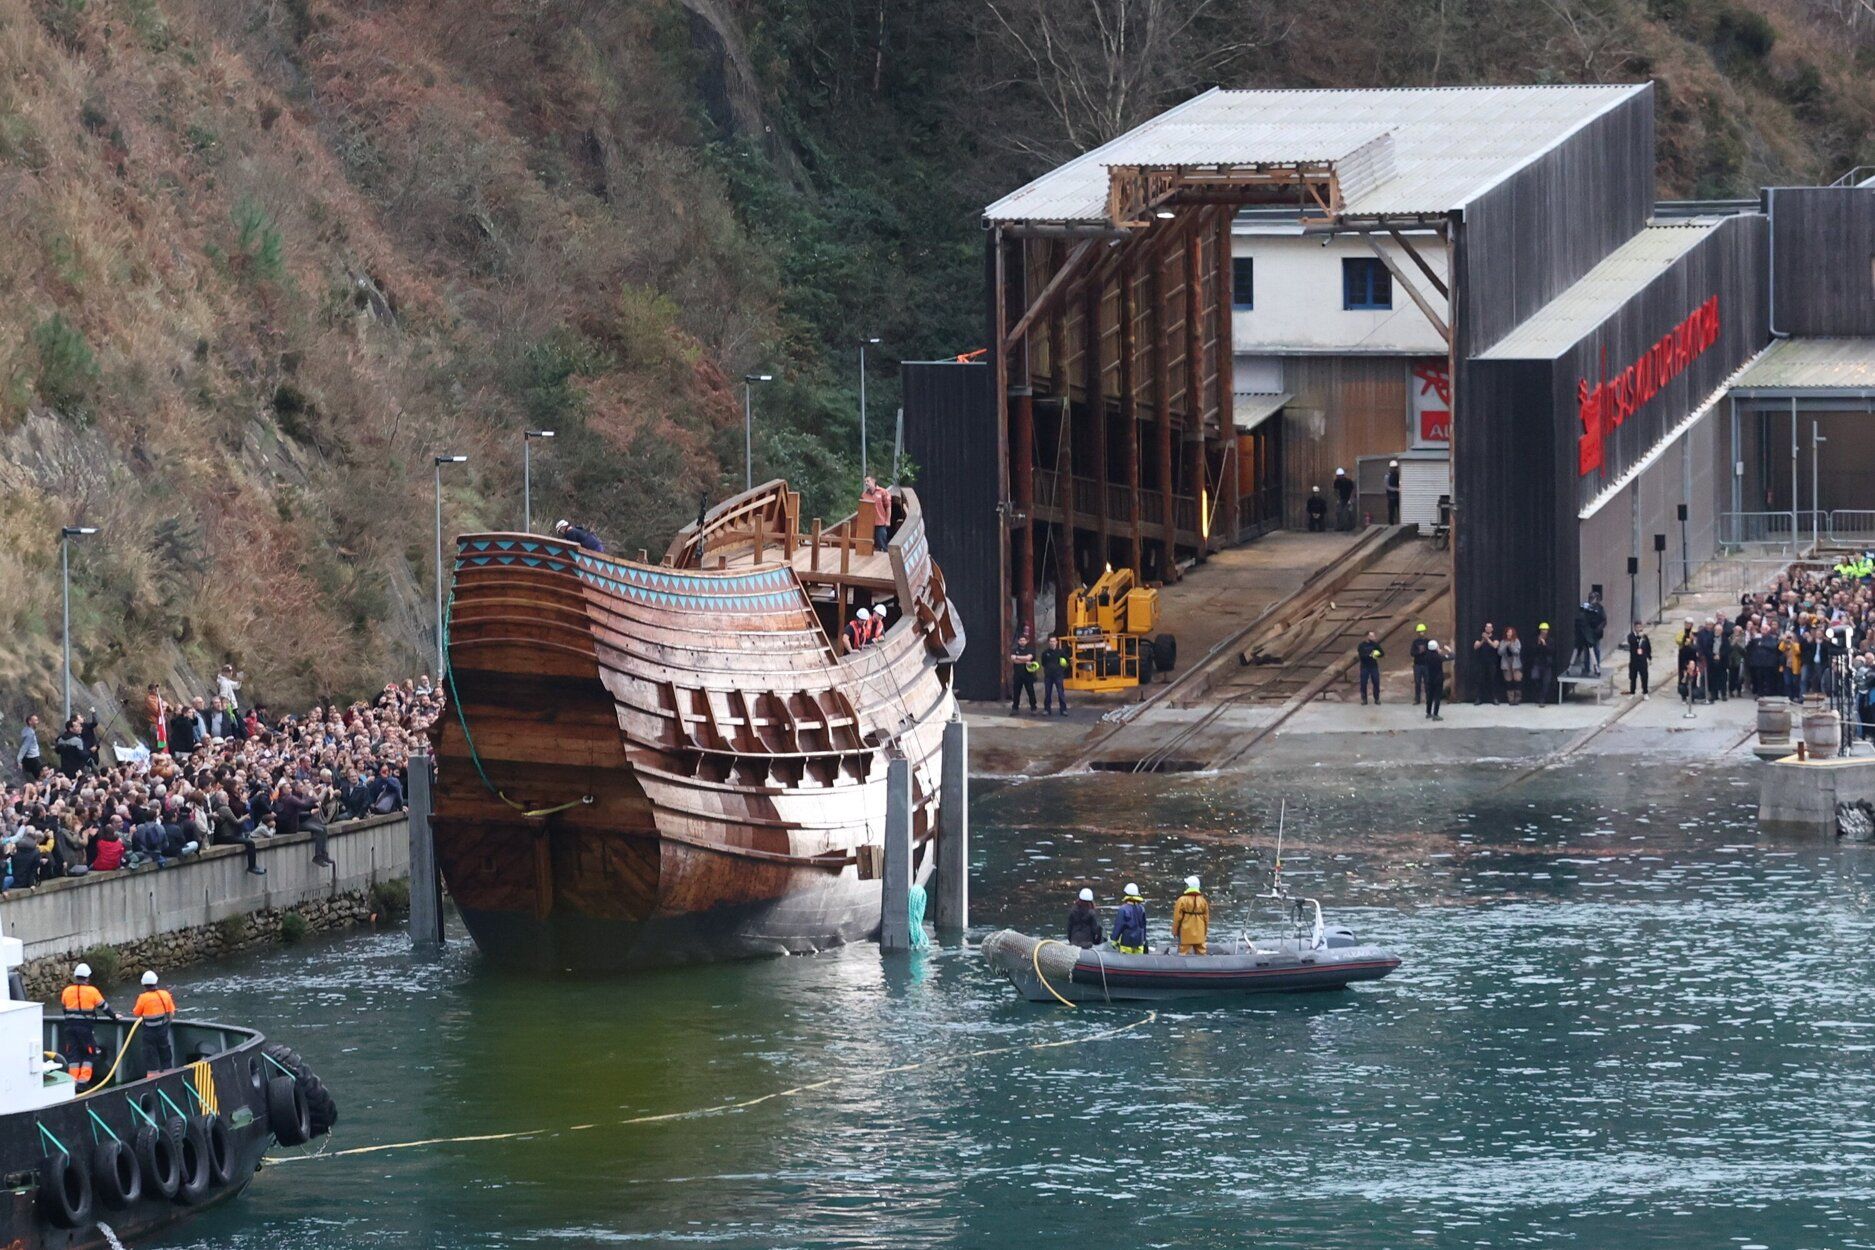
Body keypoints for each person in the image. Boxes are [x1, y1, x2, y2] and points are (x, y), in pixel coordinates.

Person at [59, 963, 116, 1087]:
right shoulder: (92, 991)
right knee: (90, 1053)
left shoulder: (67, 991)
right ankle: (83, 1082)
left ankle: (72, 1083)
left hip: (69, 1027)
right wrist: (114, 1016)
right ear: (87, 977)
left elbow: (64, 1008)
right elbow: (104, 1007)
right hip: (85, 1028)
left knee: (73, 1054)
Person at [133, 970, 177, 1078]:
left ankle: (152, 1078)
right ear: (156, 982)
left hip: (148, 1032)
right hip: (162, 1030)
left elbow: (136, 1013)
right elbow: (171, 1012)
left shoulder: (142, 997)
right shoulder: (165, 994)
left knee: (150, 1054)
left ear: (144, 984)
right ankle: (168, 1076)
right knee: (165, 1051)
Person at [1172, 875, 1209, 955]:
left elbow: (1177, 918)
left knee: (1183, 953)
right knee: (1202, 953)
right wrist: (1205, 933)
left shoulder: (1182, 900)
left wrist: (1175, 932)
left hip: (1186, 933)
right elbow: (1206, 919)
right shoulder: (1203, 901)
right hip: (1200, 933)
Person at [1571, 592, 1606, 676]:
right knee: (1586, 651)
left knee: (1596, 649)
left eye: (1593, 598)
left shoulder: (1600, 608)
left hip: (1596, 633)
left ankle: (1596, 667)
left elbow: (1604, 620)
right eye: (1591, 598)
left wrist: (1598, 628)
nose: (1592, 599)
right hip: (1587, 633)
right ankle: (1586, 668)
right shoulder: (1586, 607)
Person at [1111, 884, 1147, 954]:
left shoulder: (1123, 909)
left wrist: (1114, 940)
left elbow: (1119, 926)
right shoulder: (1142, 909)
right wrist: (1144, 939)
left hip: (1126, 942)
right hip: (1139, 942)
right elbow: (1144, 926)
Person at [860, 476, 892, 553]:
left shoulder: (882, 492)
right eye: (865, 482)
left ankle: (885, 557)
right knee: (870, 544)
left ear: (873, 481)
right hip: (868, 524)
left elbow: (888, 507)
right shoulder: (864, 495)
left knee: (882, 543)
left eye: (868, 481)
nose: (866, 483)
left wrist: (888, 520)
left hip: (880, 522)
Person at [1009, 629, 1038, 714]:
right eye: (1020, 640)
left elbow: (1028, 658)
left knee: (1030, 692)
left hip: (1028, 674)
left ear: (1027, 641)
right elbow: (1014, 660)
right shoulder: (1014, 649)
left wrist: (1018, 657)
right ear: (1018, 641)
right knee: (1016, 692)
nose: (1022, 642)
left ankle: (1033, 708)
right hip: (1017, 675)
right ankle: (1015, 708)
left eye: (1023, 640)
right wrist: (1024, 660)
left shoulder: (1030, 649)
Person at [1040, 636, 1070, 717]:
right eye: (1050, 641)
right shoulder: (1045, 653)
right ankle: (1047, 710)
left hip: (1058, 676)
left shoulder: (1060, 652)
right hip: (1048, 676)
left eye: (1054, 641)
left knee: (1060, 693)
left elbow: (1068, 660)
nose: (1052, 643)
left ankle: (1063, 710)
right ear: (1048, 642)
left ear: (1056, 642)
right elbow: (1043, 663)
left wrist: (1062, 669)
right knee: (1048, 693)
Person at [1471, 622, 1500, 705]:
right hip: (1481, 662)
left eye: (1490, 627)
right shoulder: (1479, 637)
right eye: (1487, 627)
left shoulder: (1495, 637)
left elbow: (1495, 646)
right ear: (1485, 628)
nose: (1488, 629)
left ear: (1492, 629)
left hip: (1492, 662)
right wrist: (1483, 640)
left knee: (1492, 680)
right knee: (1480, 680)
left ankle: (1494, 698)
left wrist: (1487, 639)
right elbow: (1476, 646)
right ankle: (1479, 698)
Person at [1527, 622, 1556, 706]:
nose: (1544, 631)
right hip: (1537, 663)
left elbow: (1551, 651)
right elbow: (1532, 650)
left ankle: (1542, 700)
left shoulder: (1550, 640)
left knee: (1546, 682)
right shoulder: (1535, 639)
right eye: (1543, 630)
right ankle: (1538, 696)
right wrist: (1539, 644)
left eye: (1545, 630)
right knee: (1535, 678)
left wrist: (1544, 644)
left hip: (1547, 664)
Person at [1625, 622, 1653, 697]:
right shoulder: (1631, 636)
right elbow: (1632, 642)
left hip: (1642, 660)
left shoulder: (1644, 637)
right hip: (1634, 660)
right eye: (1637, 627)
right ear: (1634, 628)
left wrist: (1649, 657)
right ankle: (1632, 692)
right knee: (1633, 677)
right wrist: (1638, 637)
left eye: (1640, 627)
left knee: (1644, 676)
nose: (1639, 629)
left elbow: (1648, 647)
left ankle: (1645, 692)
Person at [1357, 631, 1383, 706]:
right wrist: (1370, 655)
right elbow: (1361, 655)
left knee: (1376, 682)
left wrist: (1376, 654)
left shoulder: (1375, 644)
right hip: (1365, 667)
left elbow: (1382, 653)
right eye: (1372, 636)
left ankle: (1377, 698)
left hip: (1374, 666)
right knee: (1363, 683)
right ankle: (1364, 699)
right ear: (1367, 636)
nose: (1374, 637)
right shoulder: (1361, 645)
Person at [1499, 626, 1524, 705]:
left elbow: (1517, 652)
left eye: (1510, 632)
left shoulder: (1517, 641)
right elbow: (1499, 652)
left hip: (1516, 664)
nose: (1509, 633)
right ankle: (1511, 699)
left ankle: (1517, 698)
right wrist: (1506, 645)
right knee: (1508, 682)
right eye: (1507, 632)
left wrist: (1511, 646)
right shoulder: (1503, 641)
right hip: (1506, 664)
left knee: (1517, 681)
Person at [16, 714, 43, 781]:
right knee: (40, 777)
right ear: (30, 721)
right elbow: (25, 746)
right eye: (36, 720)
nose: (37, 722)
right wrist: (19, 759)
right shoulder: (30, 733)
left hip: (29, 758)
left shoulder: (25, 730)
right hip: (33, 758)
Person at [1424, 639, 1446, 720]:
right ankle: (1435, 714)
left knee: (1430, 696)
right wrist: (1449, 650)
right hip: (1438, 679)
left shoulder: (1427, 656)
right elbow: (1451, 656)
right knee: (1437, 697)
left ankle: (1428, 712)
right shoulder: (1438, 657)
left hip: (1430, 678)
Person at [1409, 623, 1430, 707]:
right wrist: (1419, 652)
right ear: (1417, 632)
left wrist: (1425, 651)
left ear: (1424, 632)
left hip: (1426, 665)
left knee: (1427, 682)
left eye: (1422, 631)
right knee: (1417, 682)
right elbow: (1412, 653)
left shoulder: (1428, 641)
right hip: (1417, 665)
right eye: (1419, 631)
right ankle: (1417, 699)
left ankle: (1428, 698)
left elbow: (1431, 652)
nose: (1421, 633)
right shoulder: (1415, 642)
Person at [1332, 467, 1355, 531]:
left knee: (1349, 512)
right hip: (1341, 499)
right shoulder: (1336, 482)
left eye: (1339, 476)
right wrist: (1337, 499)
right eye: (1337, 476)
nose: (1338, 477)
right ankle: (1340, 527)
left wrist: (1350, 499)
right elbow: (1335, 491)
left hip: (1348, 499)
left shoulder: (1348, 482)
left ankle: (1349, 527)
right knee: (1339, 512)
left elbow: (1353, 490)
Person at [1384, 459, 1401, 524]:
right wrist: (1396, 489)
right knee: (1391, 512)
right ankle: (1391, 524)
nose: (1395, 469)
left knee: (1400, 511)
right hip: (1391, 497)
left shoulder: (1398, 475)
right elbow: (1387, 486)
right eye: (1393, 468)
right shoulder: (1387, 476)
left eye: (1395, 468)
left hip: (1398, 497)